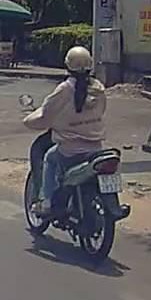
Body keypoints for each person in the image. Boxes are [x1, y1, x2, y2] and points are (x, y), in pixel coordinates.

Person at [23, 46, 106, 216]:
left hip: (70, 149)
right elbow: (101, 111)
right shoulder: (99, 88)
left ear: (67, 65)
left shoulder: (65, 89)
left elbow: (45, 115)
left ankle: (46, 202)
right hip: (96, 148)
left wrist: (28, 121)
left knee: (49, 157)